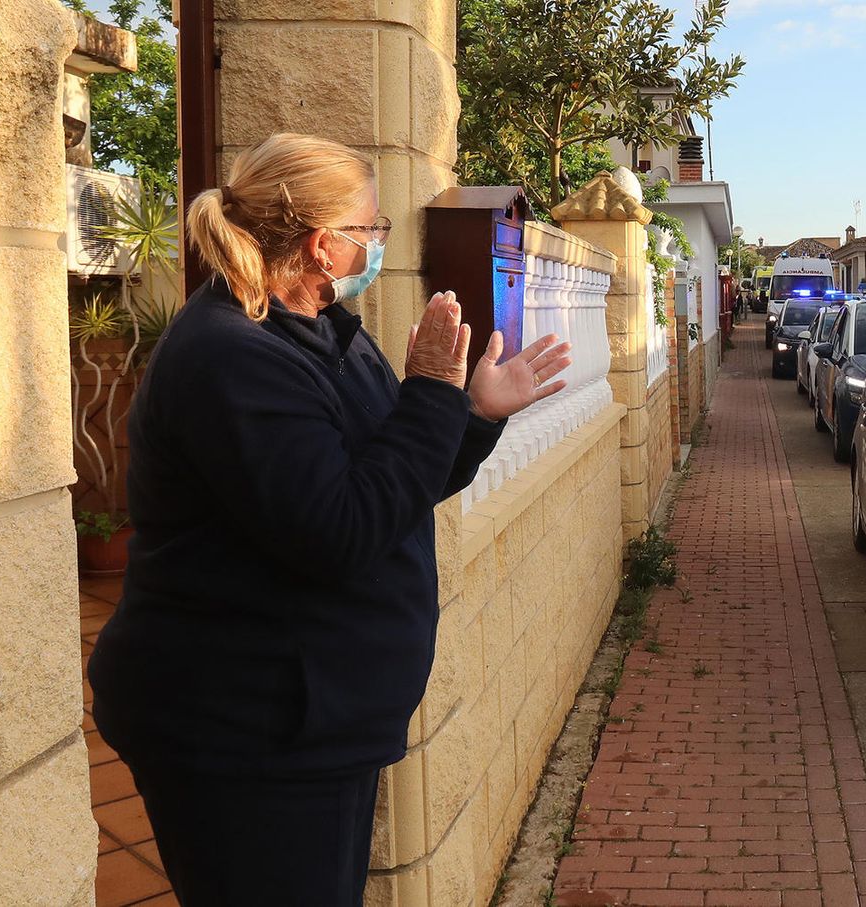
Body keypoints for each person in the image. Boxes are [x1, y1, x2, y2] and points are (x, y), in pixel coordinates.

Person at [87, 133, 572, 906]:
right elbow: (339, 532)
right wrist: (431, 393)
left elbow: (389, 488)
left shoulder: (320, 330)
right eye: (373, 230)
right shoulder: (232, 354)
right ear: (323, 246)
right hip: (241, 733)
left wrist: (471, 412)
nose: (380, 244)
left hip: (313, 721)